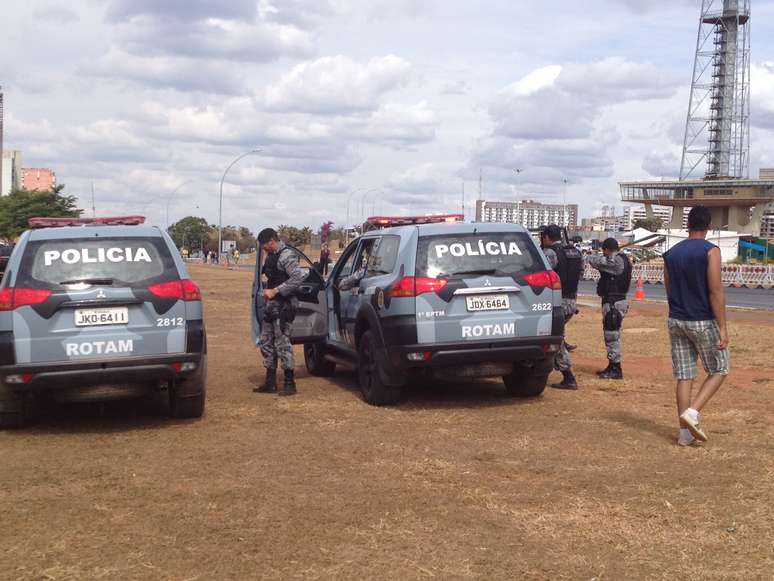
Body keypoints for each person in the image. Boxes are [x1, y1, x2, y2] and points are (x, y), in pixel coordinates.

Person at [663, 206, 730, 446]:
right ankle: (693, 412)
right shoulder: (711, 251)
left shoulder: (671, 253)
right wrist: (722, 327)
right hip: (701, 318)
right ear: (709, 226)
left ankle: (684, 435)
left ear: (688, 225)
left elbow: (668, 287)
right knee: (720, 368)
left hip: (676, 318)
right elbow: (715, 289)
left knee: (684, 375)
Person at [253, 228, 307, 396]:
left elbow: (297, 278)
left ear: (271, 241)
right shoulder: (272, 256)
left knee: (282, 343)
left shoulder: (286, 255)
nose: (263, 249)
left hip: (284, 305)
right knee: (266, 341)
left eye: (264, 245)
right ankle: (270, 382)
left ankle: (290, 383)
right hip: (272, 306)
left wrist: (276, 291)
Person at [539, 224, 583, 390]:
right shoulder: (574, 252)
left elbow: (542, 272)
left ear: (547, 237)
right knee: (557, 337)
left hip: (558, 302)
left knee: (554, 340)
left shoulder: (551, 253)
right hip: (571, 301)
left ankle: (568, 376)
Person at [587, 238, 633, 380]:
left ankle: (615, 368)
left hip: (614, 302)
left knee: (612, 336)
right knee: (610, 335)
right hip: (615, 300)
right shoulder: (622, 259)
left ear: (607, 249)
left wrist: (592, 254)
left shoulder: (617, 261)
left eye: (604, 250)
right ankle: (612, 365)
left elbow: (594, 261)